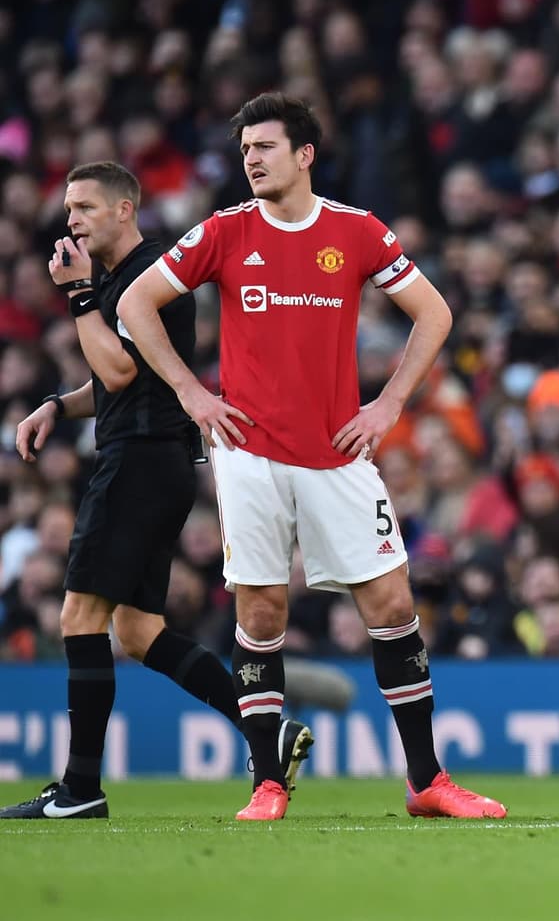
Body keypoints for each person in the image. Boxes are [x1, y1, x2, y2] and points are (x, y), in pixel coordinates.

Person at [117, 93, 505, 821]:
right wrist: (193, 396)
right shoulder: (225, 231)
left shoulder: (355, 231)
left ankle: (426, 780)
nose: (251, 160)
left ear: (304, 155)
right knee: (262, 609)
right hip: (249, 452)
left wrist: (388, 404)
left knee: (391, 602)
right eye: (244, 151)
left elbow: (436, 312)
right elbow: (135, 304)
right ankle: (267, 780)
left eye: (265, 147)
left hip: (338, 452)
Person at [0, 162, 310, 820]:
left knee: (77, 618)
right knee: (138, 631)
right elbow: (124, 380)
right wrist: (57, 404)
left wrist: (80, 296)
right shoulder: (122, 278)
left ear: (123, 209)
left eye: (84, 206)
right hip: (157, 460)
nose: (72, 218)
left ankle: (80, 788)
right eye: (67, 208)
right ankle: (267, 731)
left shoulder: (149, 276)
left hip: (138, 464)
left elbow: (116, 372)